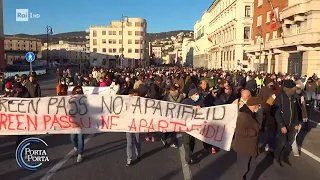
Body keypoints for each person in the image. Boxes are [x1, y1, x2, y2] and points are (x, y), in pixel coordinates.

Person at [273, 79, 301, 167]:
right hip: (283, 125)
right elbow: (276, 113)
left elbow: (295, 111)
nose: (295, 90)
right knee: (282, 142)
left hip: (291, 124)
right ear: (288, 89)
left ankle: (284, 157)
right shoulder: (280, 97)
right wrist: (281, 125)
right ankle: (276, 158)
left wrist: (296, 123)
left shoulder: (293, 97)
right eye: (293, 88)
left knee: (289, 142)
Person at [233, 97, 261, 180]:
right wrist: (254, 132)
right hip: (244, 147)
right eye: (257, 105)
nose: (259, 107)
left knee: (252, 167)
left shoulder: (252, 114)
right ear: (252, 106)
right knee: (243, 169)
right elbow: (241, 132)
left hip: (251, 147)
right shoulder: (243, 116)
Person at [181, 88, 203, 165]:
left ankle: (190, 154)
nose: (197, 96)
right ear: (191, 95)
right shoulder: (185, 102)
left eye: (198, 94)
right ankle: (188, 159)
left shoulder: (200, 102)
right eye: (196, 94)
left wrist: (200, 109)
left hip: (195, 127)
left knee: (192, 142)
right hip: (186, 126)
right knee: (186, 142)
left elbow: (205, 111)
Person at [12, 82, 31, 147]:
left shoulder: (26, 93)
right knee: (19, 131)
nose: (16, 90)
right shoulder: (14, 92)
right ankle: (20, 142)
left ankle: (22, 143)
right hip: (17, 115)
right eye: (15, 89)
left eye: (17, 89)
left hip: (24, 115)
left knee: (23, 131)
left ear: (20, 88)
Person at [126, 89, 142, 166]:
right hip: (128, 125)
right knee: (129, 142)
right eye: (134, 96)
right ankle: (129, 158)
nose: (135, 97)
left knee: (137, 140)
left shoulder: (141, 104)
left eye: (137, 96)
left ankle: (138, 154)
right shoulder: (126, 103)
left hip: (137, 125)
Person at [70, 86, 85, 163]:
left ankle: (80, 154)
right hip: (73, 123)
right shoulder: (70, 100)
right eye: (77, 92)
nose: (78, 94)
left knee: (80, 139)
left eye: (80, 92)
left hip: (81, 123)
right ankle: (76, 147)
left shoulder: (85, 100)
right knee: (73, 138)